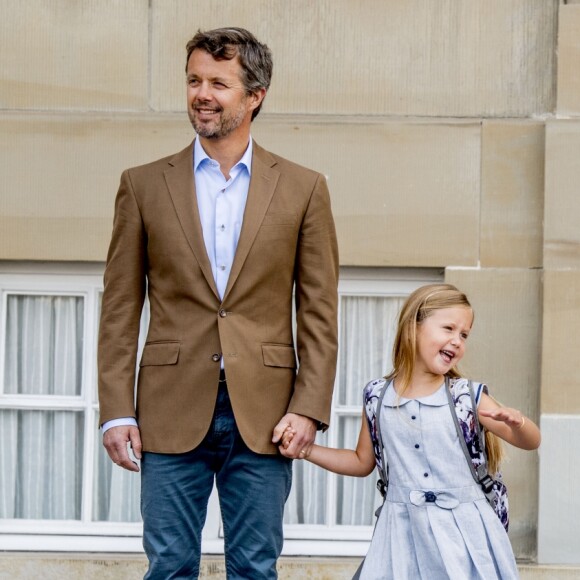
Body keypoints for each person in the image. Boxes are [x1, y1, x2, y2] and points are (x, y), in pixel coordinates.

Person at [98, 27, 339, 579]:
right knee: (169, 566)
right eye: (193, 80)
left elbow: (320, 311)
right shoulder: (142, 185)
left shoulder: (304, 188)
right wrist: (116, 408)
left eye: (218, 83)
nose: (201, 94)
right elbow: (119, 308)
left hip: (266, 413)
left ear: (254, 96)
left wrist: (308, 407)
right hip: (168, 408)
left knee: (255, 568)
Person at [279, 283, 540, 579]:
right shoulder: (377, 396)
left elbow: (530, 441)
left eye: (464, 335)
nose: (457, 341)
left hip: (467, 536)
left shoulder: (465, 396)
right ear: (413, 327)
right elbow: (361, 461)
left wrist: (517, 424)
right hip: (402, 533)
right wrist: (306, 449)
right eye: (448, 328)